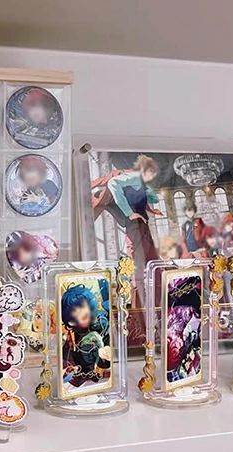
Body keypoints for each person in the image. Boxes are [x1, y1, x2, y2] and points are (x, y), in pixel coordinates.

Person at [92, 155, 162, 304]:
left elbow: (140, 199)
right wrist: (129, 213)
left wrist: (151, 210)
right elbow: (113, 183)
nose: (151, 177)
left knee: (147, 256)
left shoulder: (140, 182)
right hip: (135, 223)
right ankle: (139, 298)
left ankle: (150, 294)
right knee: (136, 258)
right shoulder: (134, 177)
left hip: (141, 223)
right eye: (151, 173)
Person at [60, 283, 111, 389]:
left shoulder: (101, 323)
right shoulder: (77, 341)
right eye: (76, 311)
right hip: (88, 380)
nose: (83, 312)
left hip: (105, 376)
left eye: (83, 306)